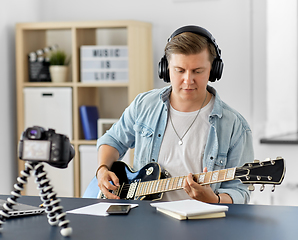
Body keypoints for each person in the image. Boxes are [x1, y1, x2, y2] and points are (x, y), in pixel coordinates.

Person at [95, 25, 254, 204]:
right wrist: (102, 169)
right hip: (144, 221)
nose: (188, 80)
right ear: (165, 69)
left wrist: (215, 199)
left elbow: (240, 192)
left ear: (214, 70)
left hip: (202, 225)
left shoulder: (235, 126)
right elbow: (112, 140)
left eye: (198, 71)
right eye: (179, 70)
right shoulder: (144, 104)